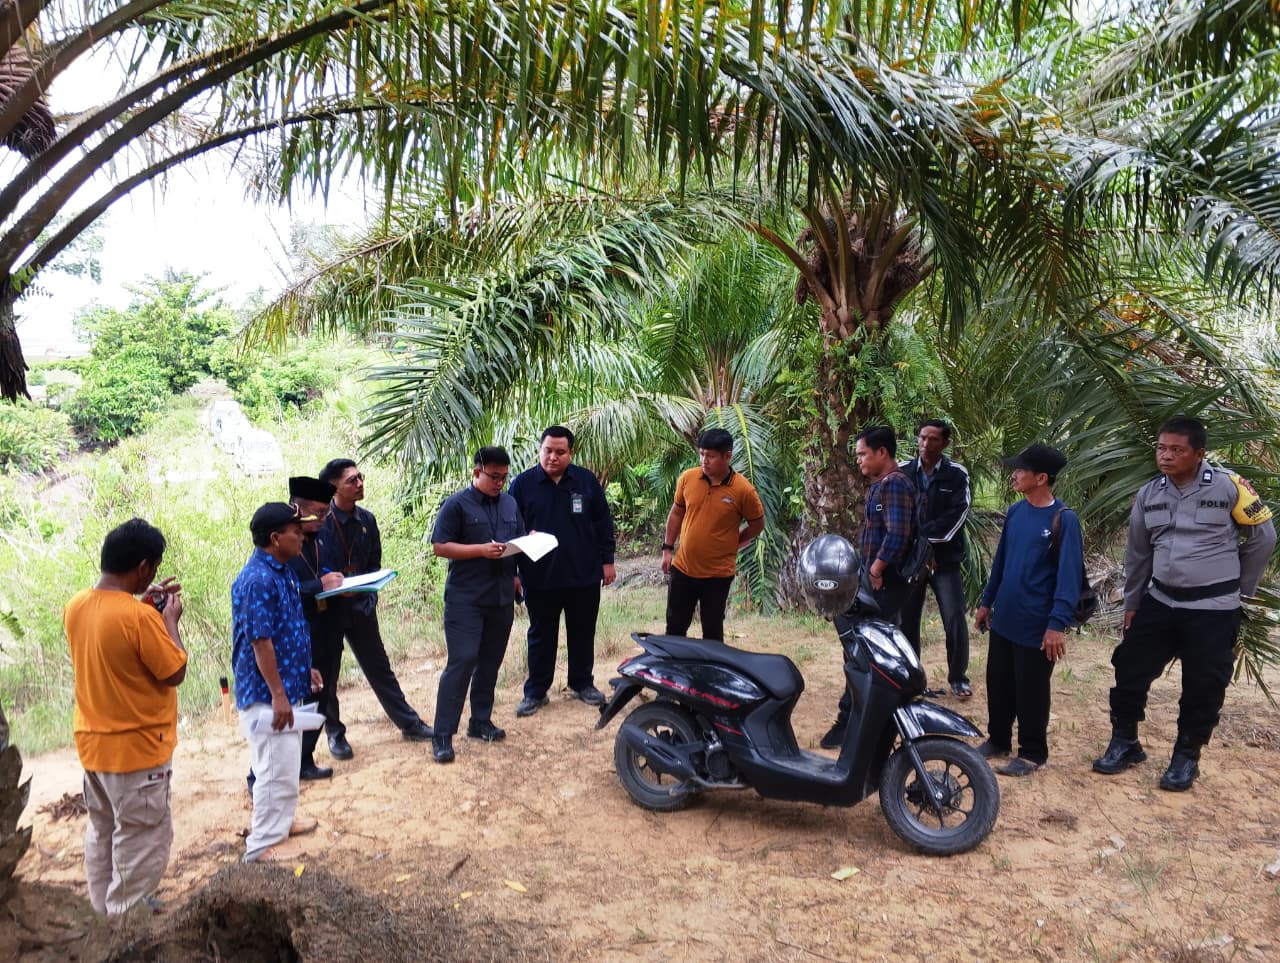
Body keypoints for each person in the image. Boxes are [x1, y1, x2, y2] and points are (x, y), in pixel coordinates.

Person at [1092, 417, 1276, 791]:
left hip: (1213, 609)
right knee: (1129, 669)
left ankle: (1186, 757)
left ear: (1198, 453)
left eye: (1176, 449)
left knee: (1203, 685)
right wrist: (1132, 603)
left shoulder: (1230, 487)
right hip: (1160, 601)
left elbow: (1262, 538)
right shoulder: (1149, 494)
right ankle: (1124, 742)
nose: (1166, 455)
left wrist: (1238, 590)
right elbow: (1138, 554)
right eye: (1161, 448)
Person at [64, 518, 186, 915]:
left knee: (102, 832)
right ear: (145, 567)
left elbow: (119, 644)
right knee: (140, 844)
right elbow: (174, 671)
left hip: (94, 749)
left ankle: (104, 917)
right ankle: (125, 928)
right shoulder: (139, 618)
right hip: (137, 754)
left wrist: (144, 608)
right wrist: (169, 622)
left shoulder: (77, 606)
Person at [973, 444, 1082, 777]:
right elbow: (1002, 560)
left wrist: (1057, 624)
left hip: (1037, 624)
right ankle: (998, 739)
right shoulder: (1017, 512)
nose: (1014, 474)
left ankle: (1033, 752)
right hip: (1006, 617)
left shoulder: (1063, 520)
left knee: (1031, 689)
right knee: (999, 681)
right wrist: (986, 600)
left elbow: (1069, 577)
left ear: (1042, 478)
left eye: (1021, 470)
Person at [317, 458, 434, 757]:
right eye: (351, 481)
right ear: (333, 488)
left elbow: (374, 562)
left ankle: (409, 723)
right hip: (327, 613)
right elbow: (312, 568)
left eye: (360, 478)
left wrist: (369, 597)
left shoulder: (367, 520)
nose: (360, 484)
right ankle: (335, 734)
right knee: (329, 677)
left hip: (360, 608)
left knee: (379, 668)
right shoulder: (321, 524)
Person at [232, 502, 323, 862]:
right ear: (275, 538)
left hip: (286, 685)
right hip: (267, 694)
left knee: (287, 764)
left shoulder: (282, 571)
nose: (301, 535)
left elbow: (289, 629)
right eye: (294, 530)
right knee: (271, 769)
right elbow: (260, 641)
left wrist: (307, 668)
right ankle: (261, 846)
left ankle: (281, 823)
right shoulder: (258, 580)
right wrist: (278, 694)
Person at [820, 425, 917, 748]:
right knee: (864, 650)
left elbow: (898, 534)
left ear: (882, 453)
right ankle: (860, 720)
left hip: (884, 583)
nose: (859, 460)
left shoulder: (894, 486)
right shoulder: (881, 485)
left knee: (864, 651)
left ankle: (853, 723)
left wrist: (876, 569)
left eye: (863, 453)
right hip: (875, 579)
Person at [509, 426, 617, 716]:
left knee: (583, 631)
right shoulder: (522, 485)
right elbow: (511, 530)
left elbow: (603, 523)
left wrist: (608, 561)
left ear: (571, 453)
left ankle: (582, 683)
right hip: (539, 577)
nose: (553, 457)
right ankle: (536, 692)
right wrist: (514, 573)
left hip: (583, 575)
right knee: (541, 635)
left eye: (560, 452)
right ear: (539, 449)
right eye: (548, 450)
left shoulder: (585, 481)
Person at [430, 447, 527, 763]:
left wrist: (520, 562)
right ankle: (442, 735)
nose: (499, 483)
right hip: (466, 599)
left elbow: (517, 541)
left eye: (503, 477)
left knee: (490, 661)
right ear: (476, 472)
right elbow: (440, 547)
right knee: (463, 661)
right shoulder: (456, 505)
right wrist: (480, 551)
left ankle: (480, 721)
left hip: (500, 598)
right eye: (493, 476)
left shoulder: (511, 503)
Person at [660, 428, 765, 642]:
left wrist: (736, 541)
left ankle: (711, 674)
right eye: (701, 454)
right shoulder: (688, 478)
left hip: (718, 574)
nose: (704, 460)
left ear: (727, 456)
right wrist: (667, 548)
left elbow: (757, 524)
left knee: (712, 631)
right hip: (683, 568)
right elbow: (677, 512)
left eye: (710, 456)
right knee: (675, 627)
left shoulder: (743, 490)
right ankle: (675, 671)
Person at [899, 419, 973, 698]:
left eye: (933, 440)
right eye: (922, 438)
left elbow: (957, 515)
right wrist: (919, 550)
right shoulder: (904, 472)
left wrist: (928, 544)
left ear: (945, 443)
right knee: (907, 621)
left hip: (945, 563)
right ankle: (911, 678)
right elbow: (900, 516)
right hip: (912, 563)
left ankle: (958, 678)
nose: (926, 445)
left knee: (954, 619)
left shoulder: (957, 475)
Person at [287, 476, 346, 779]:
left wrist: (338, 583)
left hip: (328, 627)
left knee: (323, 694)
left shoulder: (323, 535)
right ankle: (282, 765)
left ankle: (305, 758)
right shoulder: (282, 541)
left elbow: (329, 568)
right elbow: (280, 590)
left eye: (326, 513)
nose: (324, 519)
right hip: (299, 634)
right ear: (297, 509)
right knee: (298, 698)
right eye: (319, 513)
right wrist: (317, 585)